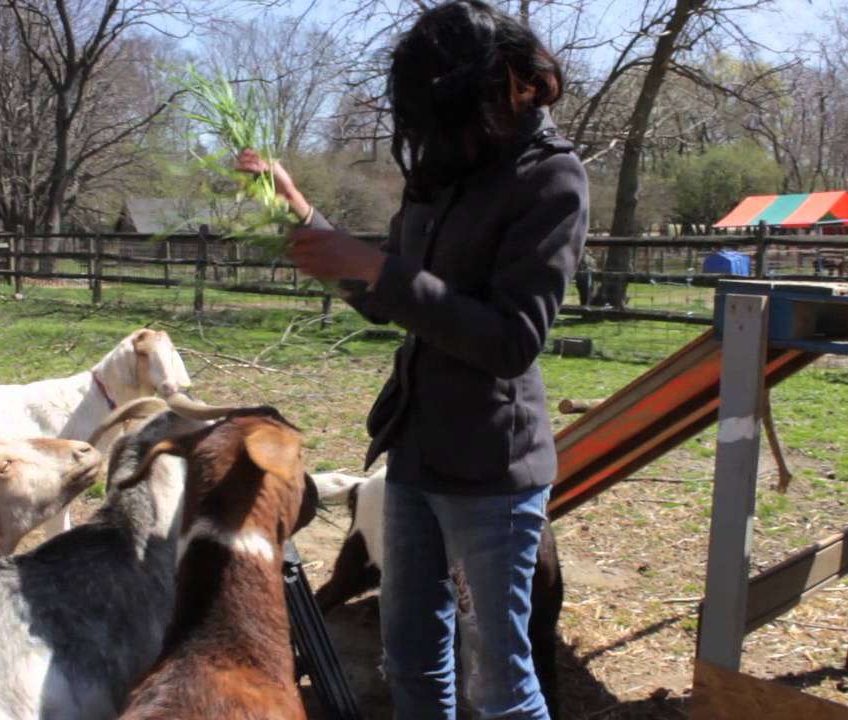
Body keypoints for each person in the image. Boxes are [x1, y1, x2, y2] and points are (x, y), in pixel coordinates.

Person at [238, 2, 587, 717]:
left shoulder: (550, 181)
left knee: (497, 680)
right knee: (411, 660)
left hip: (489, 475)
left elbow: (511, 339)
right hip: (417, 454)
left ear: (500, 88)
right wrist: (307, 219)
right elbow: (388, 291)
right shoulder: (449, 168)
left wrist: (376, 268)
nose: (430, 137)